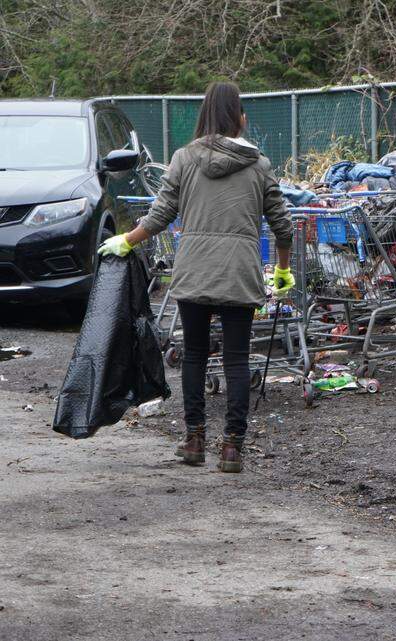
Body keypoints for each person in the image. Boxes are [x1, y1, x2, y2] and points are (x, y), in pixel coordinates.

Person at [98, 81, 294, 473]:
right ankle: (233, 449)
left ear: (204, 114)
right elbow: (282, 226)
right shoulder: (259, 165)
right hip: (240, 272)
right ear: (239, 117)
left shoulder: (184, 159)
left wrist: (126, 240)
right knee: (238, 360)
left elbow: (160, 215)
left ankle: (194, 440)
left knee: (195, 356)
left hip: (195, 269)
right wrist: (284, 269)